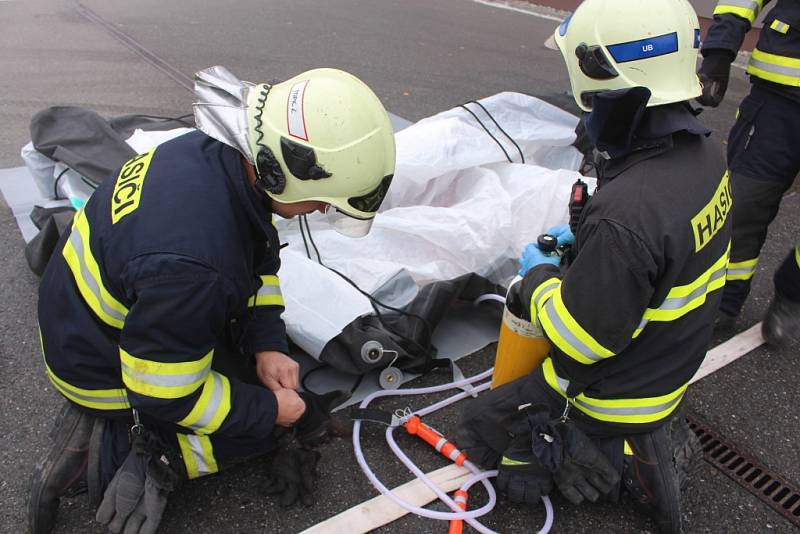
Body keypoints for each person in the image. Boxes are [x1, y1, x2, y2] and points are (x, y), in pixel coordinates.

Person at [28, 65, 396, 534]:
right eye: (321, 199)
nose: (322, 208)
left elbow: (257, 257)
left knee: (250, 385)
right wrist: (269, 415)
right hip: (97, 362)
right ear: (279, 171)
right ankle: (124, 447)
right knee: (254, 425)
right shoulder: (195, 267)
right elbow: (166, 390)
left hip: (91, 315)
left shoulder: (212, 156)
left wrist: (268, 343)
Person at [457, 1, 728, 532]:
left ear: (605, 74)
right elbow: (665, 250)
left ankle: (591, 450)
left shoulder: (628, 215)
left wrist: (537, 277)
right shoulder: (706, 154)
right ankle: (634, 437)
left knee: (481, 425)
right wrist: (589, 239)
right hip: (672, 364)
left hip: (619, 392)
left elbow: (580, 342)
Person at [697, 0, 800, 345]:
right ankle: (723, 300)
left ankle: (792, 294)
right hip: (778, 99)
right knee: (741, 206)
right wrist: (720, 49)